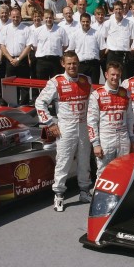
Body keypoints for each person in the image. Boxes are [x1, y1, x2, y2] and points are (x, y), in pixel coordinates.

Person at [34, 51, 93, 211]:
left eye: (74, 63)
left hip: (83, 126)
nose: (72, 66)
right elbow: (39, 103)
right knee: (63, 161)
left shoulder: (86, 80)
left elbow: (93, 104)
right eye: (69, 63)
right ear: (63, 64)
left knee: (84, 160)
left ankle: (84, 191)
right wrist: (49, 123)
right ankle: (59, 195)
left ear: (78, 63)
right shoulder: (56, 82)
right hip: (65, 127)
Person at [88, 61, 133, 175]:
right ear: (106, 74)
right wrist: (96, 144)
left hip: (123, 137)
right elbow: (91, 122)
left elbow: (130, 118)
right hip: (106, 138)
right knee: (103, 171)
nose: (115, 77)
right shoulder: (97, 95)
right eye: (112, 74)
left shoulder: (126, 94)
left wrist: (132, 139)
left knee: (123, 170)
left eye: (118, 75)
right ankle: (99, 193)